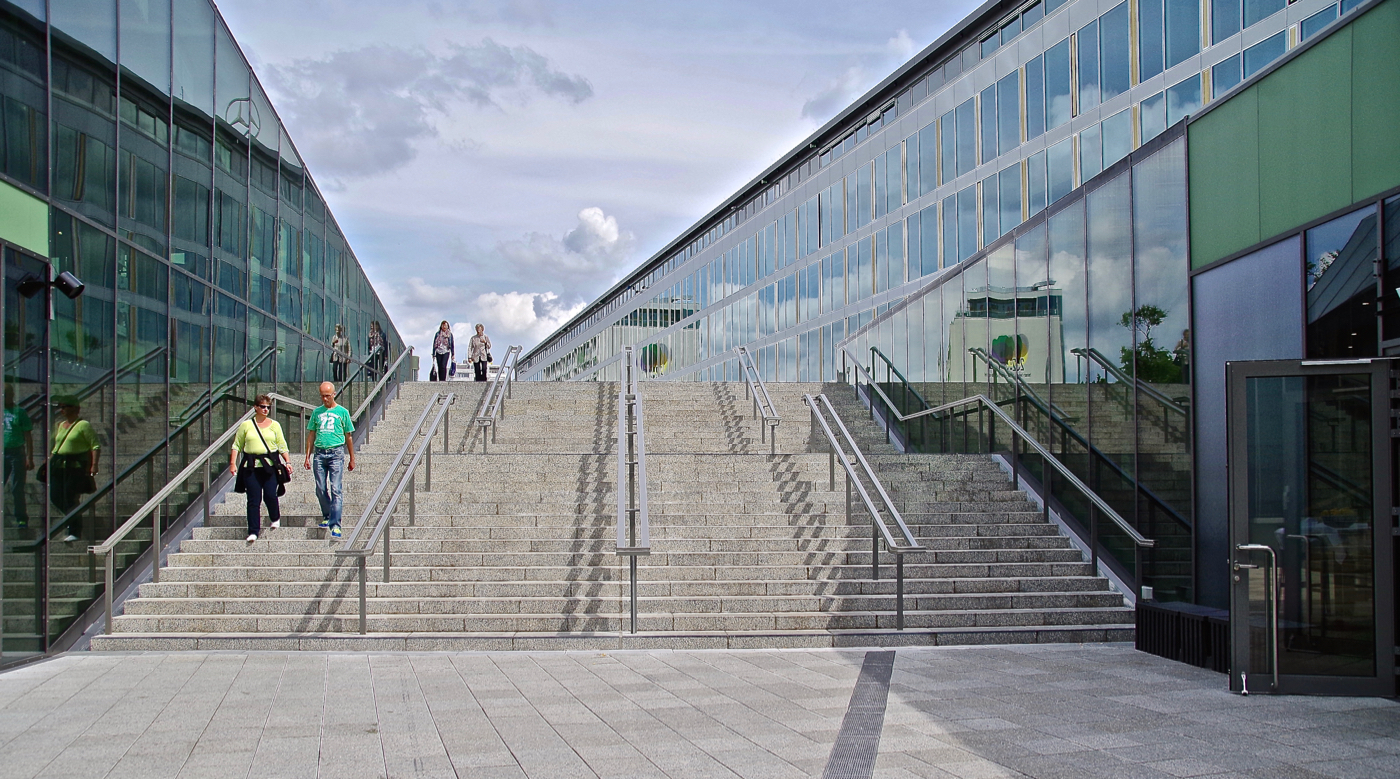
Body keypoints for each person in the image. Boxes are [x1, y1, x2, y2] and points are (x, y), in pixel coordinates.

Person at [229, 395, 291, 543]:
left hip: (269, 465)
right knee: (253, 499)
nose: (265, 410)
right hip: (251, 466)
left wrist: (287, 461)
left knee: (270, 494)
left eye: (268, 407)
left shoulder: (275, 425)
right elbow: (237, 445)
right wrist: (233, 463)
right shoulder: (246, 425)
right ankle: (253, 531)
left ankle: (275, 517)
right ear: (255, 407)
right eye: (262, 407)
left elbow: (281, 445)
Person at [305, 381, 355, 539]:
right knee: (320, 488)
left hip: (336, 452)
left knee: (336, 489)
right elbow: (311, 434)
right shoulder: (316, 412)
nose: (325, 399)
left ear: (334, 394)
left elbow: (348, 435)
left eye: (327, 396)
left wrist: (352, 458)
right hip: (319, 453)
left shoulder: (342, 412)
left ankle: (336, 524)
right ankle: (327, 515)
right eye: (322, 396)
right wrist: (307, 456)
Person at [50, 395, 99, 543]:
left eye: (65, 406)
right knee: (55, 496)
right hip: (59, 466)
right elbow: (56, 445)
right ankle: (72, 518)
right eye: (61, 406)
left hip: (76, 467)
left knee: (70, 497)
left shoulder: (83, 425)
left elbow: (95, 445)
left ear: (75, 408)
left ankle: (74, 529)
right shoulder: (59, 425)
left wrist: (94, 465)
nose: (62, 409)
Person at [3, 385, 34, 530]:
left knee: (17, 487)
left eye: (6, 394)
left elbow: (28, 435)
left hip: (16, 452)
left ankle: (21, 518)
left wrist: (30, 457)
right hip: (3, 452)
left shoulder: (19, 412)